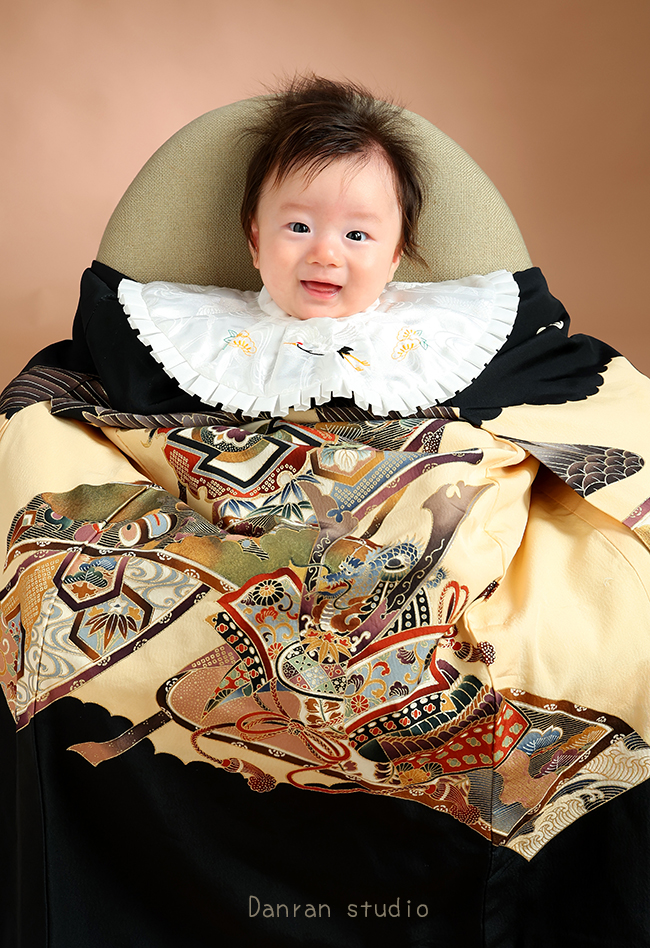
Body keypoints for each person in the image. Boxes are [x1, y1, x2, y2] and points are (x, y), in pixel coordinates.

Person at [2, 76, 650, 948]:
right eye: (298, 226)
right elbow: (89, 400)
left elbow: (564, 393)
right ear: (255, 237)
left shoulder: (448, 337)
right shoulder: (182, 333)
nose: (325, 254)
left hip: (409, 501)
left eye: (357, 234)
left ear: (395, 253)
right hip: (245, 513)